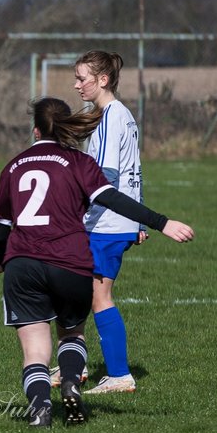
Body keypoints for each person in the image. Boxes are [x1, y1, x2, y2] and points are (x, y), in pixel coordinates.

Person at [0, 97, 194, 428]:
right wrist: (161, 222)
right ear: (67, 128)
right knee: (72, 335)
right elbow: (112, 198)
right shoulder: (79, 162)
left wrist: (5, 260)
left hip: (23, 265)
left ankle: (40, 408)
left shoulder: (14, 165)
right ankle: (70, 382)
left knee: (35, 352)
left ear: (35, 130)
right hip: (71, 262)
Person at [72, 49, 145, 395]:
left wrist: (72, 207)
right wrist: (139, 219)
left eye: (82, 78)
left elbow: (104, 175)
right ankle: (78, 363)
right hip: (120, 219)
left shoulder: (109, 117)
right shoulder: (122, 114)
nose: (76, 85)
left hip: (106, 222)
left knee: (100, 296)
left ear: (102, 80)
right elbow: (135, 171)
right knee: (86, 292)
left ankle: (118, 374)